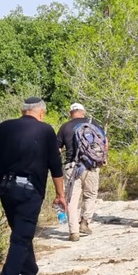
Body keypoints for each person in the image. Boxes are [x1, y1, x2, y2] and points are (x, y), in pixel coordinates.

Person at [0, 96, 66, 275]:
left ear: (23, 111)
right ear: (41, 113)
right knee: (20, 239)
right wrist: (60, 194)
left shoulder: (4, 128)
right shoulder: (46, 130)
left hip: (6, 189)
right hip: (29, 191)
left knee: (21, 233)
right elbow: (55, 165)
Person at [56, 102, 107, 242]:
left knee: (72, 199)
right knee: (90, 195)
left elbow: (57, 150)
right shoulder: (93, 124)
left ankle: (74, 232)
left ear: (70, 113)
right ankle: (85, 222)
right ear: (83, 112)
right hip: (91, 166)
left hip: (71, 167)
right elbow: (104, 143)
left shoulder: (65, 127)